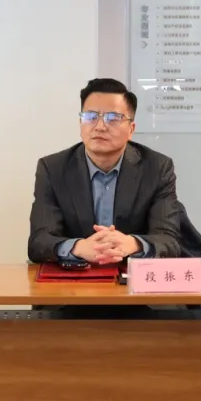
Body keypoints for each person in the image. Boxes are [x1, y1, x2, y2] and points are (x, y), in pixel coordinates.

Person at [28, 78, 180, 316]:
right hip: (72, 293)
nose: (99, 126)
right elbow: (39, 242)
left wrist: (132, 244)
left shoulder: (157, 168)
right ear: (80, 123)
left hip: (139, 294)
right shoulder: (53, 168)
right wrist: (79, 247)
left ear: (131, 129)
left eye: (113, 118)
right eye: (90, 116)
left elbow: (169, 240)